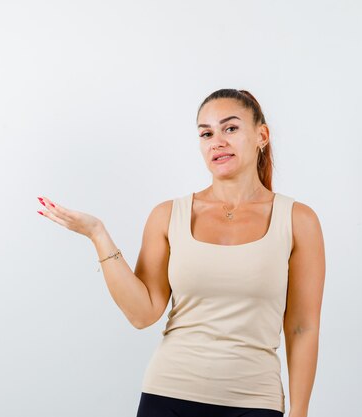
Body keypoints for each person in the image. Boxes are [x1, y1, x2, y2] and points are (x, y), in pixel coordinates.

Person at [36, 88, 325, 417]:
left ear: (261, 135)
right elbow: (143, 314)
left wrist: (299, 412)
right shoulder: (168, 215)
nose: (217, 141)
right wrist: (97, 234)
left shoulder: (299, 220)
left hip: (254, 400)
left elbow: (303, 326)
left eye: (230, 128)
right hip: (167, 395)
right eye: (206, 133)